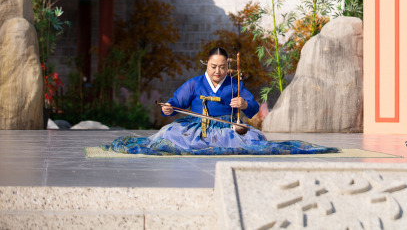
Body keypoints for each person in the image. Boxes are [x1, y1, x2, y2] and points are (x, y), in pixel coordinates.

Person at [102, 47, 337, 155]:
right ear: (207, 64)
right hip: (198, 125)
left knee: (255, 139)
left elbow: (253, 106)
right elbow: (174, 103)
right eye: (213, 67)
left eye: (222, 67)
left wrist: (244, 105)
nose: (217, 71)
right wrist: (167, 108)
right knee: (167, 135)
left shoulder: (234, 84)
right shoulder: (194, 83)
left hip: (227, 126)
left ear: (228, 67)